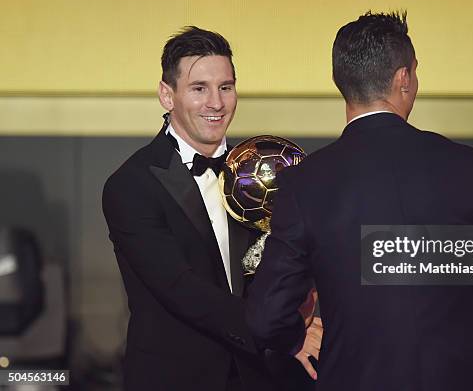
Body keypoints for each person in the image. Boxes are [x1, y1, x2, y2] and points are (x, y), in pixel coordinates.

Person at [247, 12, 473, 390]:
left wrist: (296, 335)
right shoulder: (466, 165)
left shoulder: (304, 183)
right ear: (403, 78)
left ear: (341, 81)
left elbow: (267, 315)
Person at [102, 26, 319, 391]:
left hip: (263, 377)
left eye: (226, 87)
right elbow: (181, 288)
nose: (216, 103)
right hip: (176, 380)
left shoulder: (261, 173)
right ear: (166, 95)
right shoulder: (131, 185)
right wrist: (286, 335)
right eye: (199, 88)